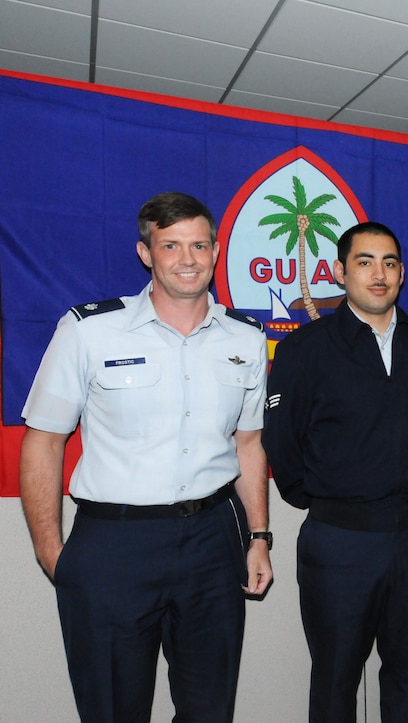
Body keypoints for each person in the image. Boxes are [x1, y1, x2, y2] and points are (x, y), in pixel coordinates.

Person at [19, 192, 272, 722]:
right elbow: (43, 439)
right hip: (115, 543)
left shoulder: (245, 338)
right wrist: (50, 550)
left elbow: (248, 443)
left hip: (212, 541)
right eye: (171, 245)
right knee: (114, 707)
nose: (187, 259)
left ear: (216, 251)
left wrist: (258, 537)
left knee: (210, 708)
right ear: (145, 253)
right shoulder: (89, 331)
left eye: (199, 245)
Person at [263, 221, 408, 722]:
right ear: (340, 272)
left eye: (389, 263)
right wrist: (326, 499)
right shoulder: (305, 348)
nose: (378, 274)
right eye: (364, 262)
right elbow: (281, 442)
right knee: (336, 678)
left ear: (402, 273)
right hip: (339, 541)